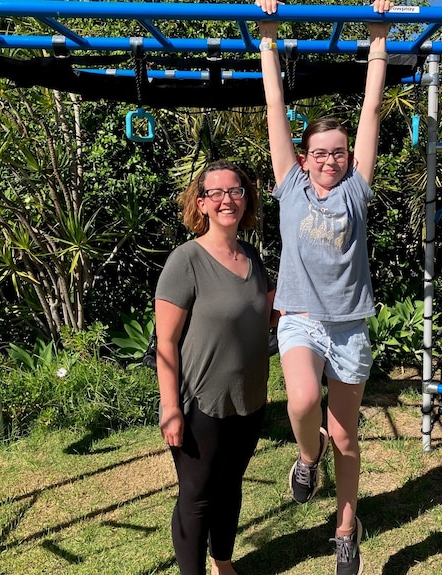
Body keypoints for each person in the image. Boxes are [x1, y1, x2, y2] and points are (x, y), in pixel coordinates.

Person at [256, 2, 393, 574]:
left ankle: (345, 527)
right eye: (321, 153)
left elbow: (371, 108)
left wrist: (379, 37)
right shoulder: (290, 186)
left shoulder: (357, 191)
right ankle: (304, 458)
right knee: (304, 403)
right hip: (301, 317)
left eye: (338, 152)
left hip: (350, 323)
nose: (330, 160)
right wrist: (267, 36)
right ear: (305, 158)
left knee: (348, 439)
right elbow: (274, 108)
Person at [155, 159, 276, 575]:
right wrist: (170, 407)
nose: (228, 200)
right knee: (198, 495)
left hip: (250, 400)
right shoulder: (185, 261)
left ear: (246, 200)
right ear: (201, 203)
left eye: (236, 191)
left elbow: (264, 314)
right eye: (217, 193)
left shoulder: (251, 258)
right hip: (200, 404)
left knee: (230, 488)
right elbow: (166, 342)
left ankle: (223, 563)